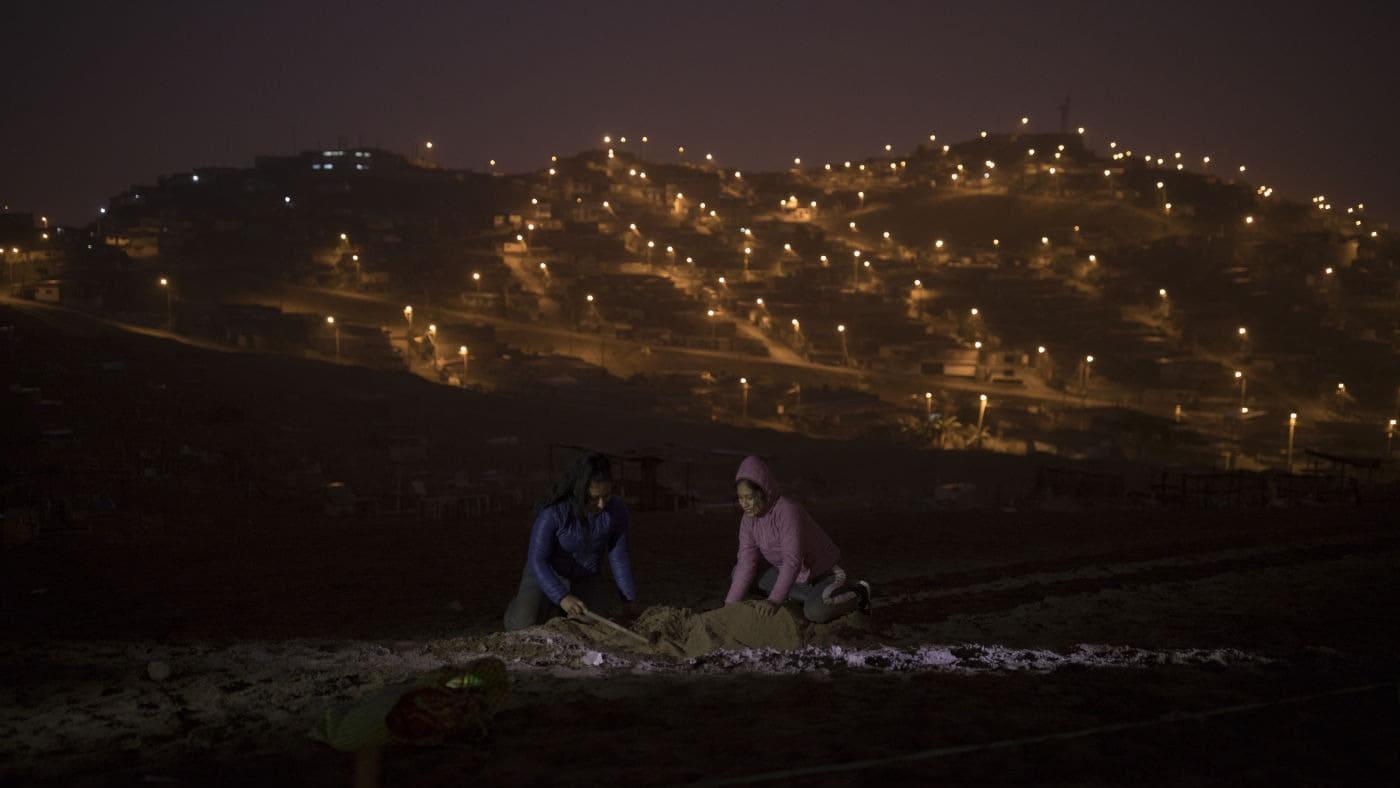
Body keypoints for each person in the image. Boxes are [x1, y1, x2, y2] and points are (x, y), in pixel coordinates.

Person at [724, 455, 871, 623]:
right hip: (796, 579)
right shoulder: (748, 521)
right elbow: (745, 562)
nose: (744, 504)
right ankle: (799, 597)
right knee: (738, 573)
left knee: (815, 612)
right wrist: (729, 606)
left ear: (763, 491)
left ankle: (858, 592)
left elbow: (792, 560)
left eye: (749, 497)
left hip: (825, 575)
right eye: (740, 498)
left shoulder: (787, 511)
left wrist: (773, 600)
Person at [503, 452, 638, 631]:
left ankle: (557, 610)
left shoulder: (617, 511)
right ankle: (527, 604)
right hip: (546, 573)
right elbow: (537, 560)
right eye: (594, 498)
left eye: (606, 496)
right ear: (580, 491)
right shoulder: (552, 514)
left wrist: (628, 599)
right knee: (522, 624)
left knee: (594, 626)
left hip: (585, 576)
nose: (601, 505)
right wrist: (562, 597)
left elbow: (619, 556)